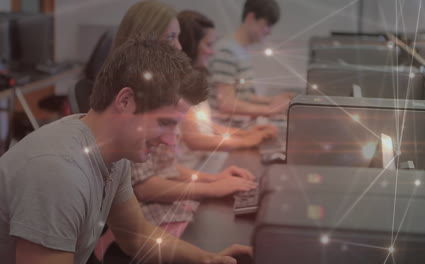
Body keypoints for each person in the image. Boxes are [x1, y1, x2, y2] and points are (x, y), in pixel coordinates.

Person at [0, 35, 250, 263]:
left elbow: (136, 235)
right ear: (125, 101)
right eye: (164, 123)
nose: (171, 141)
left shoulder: (113, 154)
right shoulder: (58, 172)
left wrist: (208, 259)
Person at [111, 1, 257, 234]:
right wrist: (213, 188)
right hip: (140, 218)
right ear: (145, 39)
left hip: (160, 202)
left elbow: (165, 167)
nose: (179, 47)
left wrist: (213, 179)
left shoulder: (158, 89)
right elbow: (144, 187)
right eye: (171, 38)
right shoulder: (131, 97)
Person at [177, 10, 278, 154]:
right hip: (194, 164)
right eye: (208, 44)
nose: (212, 52)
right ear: (191, 45)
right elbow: (195, 139)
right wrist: (245, 141)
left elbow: (205, 125)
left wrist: (245, 133)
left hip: (204, 158)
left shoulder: (194, 78)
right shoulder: (180, 85)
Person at [208, 0, 292, 117]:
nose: (269, 31)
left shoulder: (240, 49)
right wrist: (270, 109)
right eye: (267, 25)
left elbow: (241, 95)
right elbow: (227, 103)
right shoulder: (226, 52)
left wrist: (270, 100)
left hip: (241, 130)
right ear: (251, 17)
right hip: (228, 132)